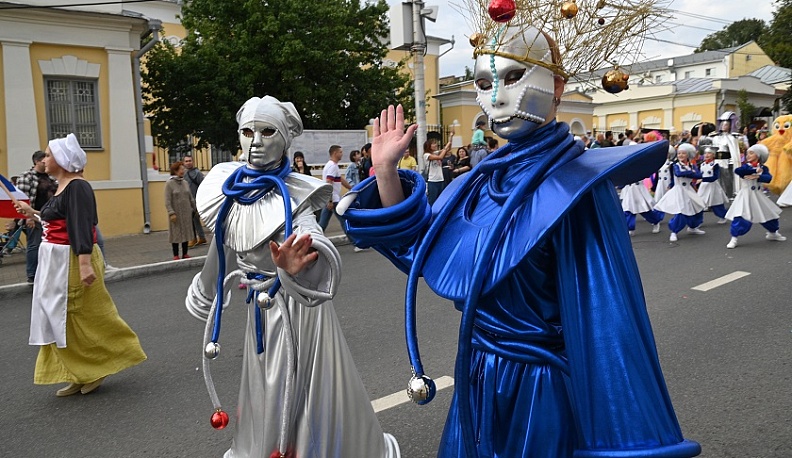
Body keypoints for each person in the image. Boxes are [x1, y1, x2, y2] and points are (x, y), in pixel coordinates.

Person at [339, 22, 699, 458]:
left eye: (513, 78)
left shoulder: (578, 187)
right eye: (485, 83)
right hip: (476, 376)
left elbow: (607, 322)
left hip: (540, 388)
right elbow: (420, 250)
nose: (498, 98)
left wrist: (616, 432)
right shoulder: (476, 183)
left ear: (558, 86)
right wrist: (386, 171)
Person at [184, 96, 398, 458]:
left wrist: (298, 265)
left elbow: (312, 240)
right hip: (262, 308)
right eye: (247, 132)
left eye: (267, 132)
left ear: (285, 138)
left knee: (302, 387)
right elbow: (222, 241)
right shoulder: (228, 185)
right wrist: (207, 292)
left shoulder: (295, 194)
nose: (255, 141)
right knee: (265, 384)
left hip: (299, 310)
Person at [14, 133, 146, 397]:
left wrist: (84, 264)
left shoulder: (78, 187)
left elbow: (81, 225)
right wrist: (33, 213)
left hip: (72, 261)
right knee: (60, 318)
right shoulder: (63, 187)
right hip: (56, 261)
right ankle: (78, 372)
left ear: (62, 161)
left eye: (49, 154)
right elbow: (58, 221)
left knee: (82, 316)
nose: (45, 158)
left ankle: (98, 367)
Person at [725, 144, 786, 248]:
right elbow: (738, 171)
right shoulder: (746, 166)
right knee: (741, 217)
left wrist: (758, 176)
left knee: (769, 214)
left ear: (758, 155)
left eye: (751, 153)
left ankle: (773, 233)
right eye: (747, 153)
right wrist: (754, 171)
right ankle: (734, 238)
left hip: (758, 195)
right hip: (745, 195)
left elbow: (768, 178)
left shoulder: (763, 168)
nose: (748, 155)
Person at [16, 150, 57, 283]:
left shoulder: (50, 177)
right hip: (34, 215)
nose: (46, 162)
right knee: (34, 244)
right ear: (37, 161)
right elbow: (22, 199)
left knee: (50, 244)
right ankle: (32, 274)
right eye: (43, 159)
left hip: (50, 215)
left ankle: (47, 271)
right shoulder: (26, 176)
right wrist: (28, 217)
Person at [654, 143, 707, 242]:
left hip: (689, 190)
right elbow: (678, 173)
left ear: (688, 155)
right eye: (679, 153)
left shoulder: (692, 165)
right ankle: (674, 231)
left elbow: (699, 175)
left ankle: (693, 227)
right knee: (681, 211)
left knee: (698, 208)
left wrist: (691, 174)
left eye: (683, 153)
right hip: (679, 190)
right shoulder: (675, 165)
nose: (681, 155)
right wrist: (692, 174)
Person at [164, 161, 197, 260]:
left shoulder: (185, 183)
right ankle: (176, 254)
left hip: (186, 212)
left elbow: (190, 197)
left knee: (186, 232)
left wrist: (195, 208)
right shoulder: (169, 184)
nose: (183, 171)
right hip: (176, 214)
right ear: (175, 170)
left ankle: (185, 253)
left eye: (183, 169)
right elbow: (167, 200)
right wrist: (171, 212)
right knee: (176, 234)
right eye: (181, 169)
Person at [318, 144, 352, 231]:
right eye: (340, 152)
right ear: (335, 153)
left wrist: (351, 188)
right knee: (344, 221)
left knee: (322, 224)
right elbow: (329, 182)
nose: (342, 154)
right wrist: (330, 200)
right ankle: (354, 241)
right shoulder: (332, 166)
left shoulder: (332, 165)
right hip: (333, 199)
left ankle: (313, 240)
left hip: (331, 199)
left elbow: (340, 179)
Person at [696, 145, 729, 224]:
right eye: (705, 153)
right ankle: (697, 221)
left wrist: (703, 179)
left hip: (713, 187)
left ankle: (723, 216)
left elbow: (715, 177)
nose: (706, 155)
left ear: (713, 155)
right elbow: (699, 174)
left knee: (716, 203)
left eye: (709, 153)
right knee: (699, 204)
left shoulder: (715, 165)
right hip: (704, 187)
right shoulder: (702, 164)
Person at [183, 154, 207, 247]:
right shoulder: (184, 173)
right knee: (194, 220)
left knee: (192, 219)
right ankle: (201, 237)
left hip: (196, 200)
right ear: (184, 163)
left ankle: (193, 238)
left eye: (190, 161)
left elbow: (203, 186)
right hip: (188, 201)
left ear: (193, 162)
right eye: (186, 161)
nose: (188, 163)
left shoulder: (197, 173)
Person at [422, 134, 453, 205]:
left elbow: (448, 149)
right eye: (433, 143)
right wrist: (445, 148)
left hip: (441, 180)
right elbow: (440, 157)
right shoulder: (426, 155)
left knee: (441, 200)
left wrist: (451, 137)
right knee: (432, 201)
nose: (436, 145)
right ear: (428, 146)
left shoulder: (436, 153)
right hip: (433, 181)